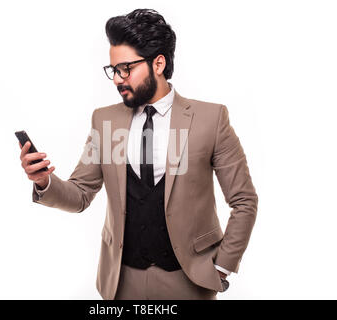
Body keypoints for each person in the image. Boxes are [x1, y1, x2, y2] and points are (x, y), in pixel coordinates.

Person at [18, 8, 258, 300]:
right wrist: (44, 181)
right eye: (113, 70)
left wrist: (221, 267)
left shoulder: (211, 119)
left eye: (126, 68)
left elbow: (244, 200)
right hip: (121, 281)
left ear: (158, 63)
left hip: (190, 282)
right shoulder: (104, 121)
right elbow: (81, 194)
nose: (118, 79)